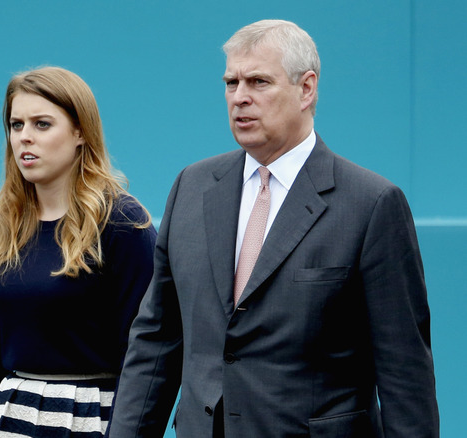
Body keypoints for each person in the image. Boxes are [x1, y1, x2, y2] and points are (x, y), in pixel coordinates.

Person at [109, 19, 439, 438]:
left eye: (259, 82)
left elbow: (404, 372)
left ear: (307, 89)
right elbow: (155, 341)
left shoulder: (371, 205)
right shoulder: (191, 187)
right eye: (232, 83)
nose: (240, 98)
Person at [0, 66, 157, 438]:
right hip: (10, 417)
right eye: (16, 125)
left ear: (79, 132)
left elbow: (142, 360)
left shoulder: (122, 223)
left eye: (42, 124)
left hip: (90, 418)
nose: (25, 138)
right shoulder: (1, 225)